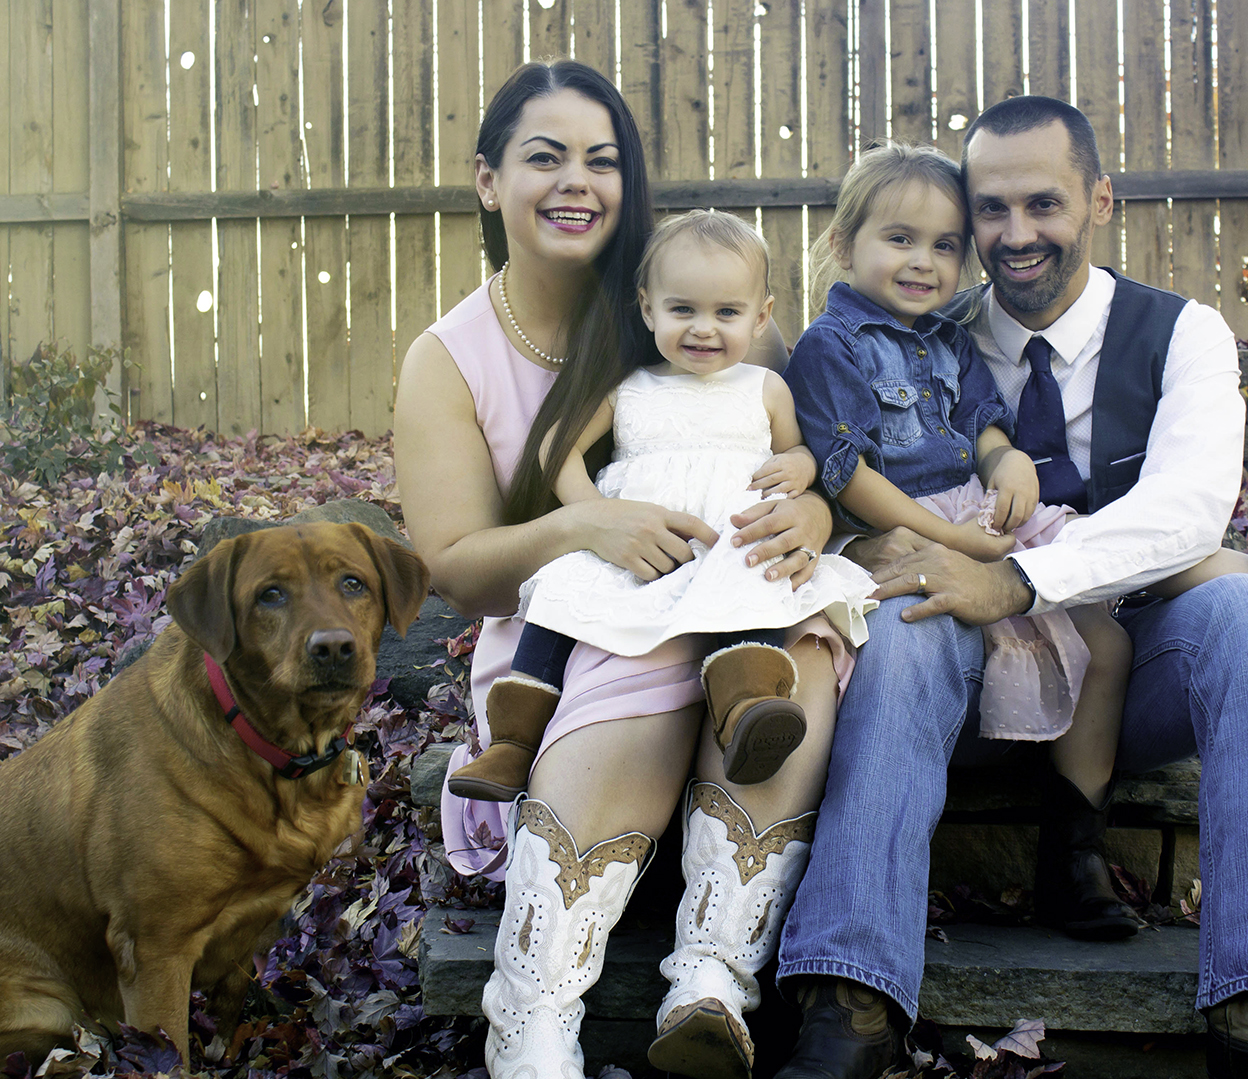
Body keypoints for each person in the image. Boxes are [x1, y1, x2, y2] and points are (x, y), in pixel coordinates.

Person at [771, 97, 1248, 1079]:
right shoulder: (920, 326)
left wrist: (1017, 577)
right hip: (947, 666)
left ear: (1100, 199)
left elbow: (1189, 509)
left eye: (1044, 202)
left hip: (1121, 665)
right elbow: (828, 445)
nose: (1014, 233)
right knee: (909, 617)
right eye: (990, 209)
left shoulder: (1182, 335)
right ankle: (849, 997)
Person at [393, 60, 853, 1079]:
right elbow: (459, 571)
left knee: (802, 650)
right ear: (487, 180)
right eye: (544, 157)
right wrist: (586, 526)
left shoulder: (697, 280)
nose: (577, 182)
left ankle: (713, 979)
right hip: (579, 617)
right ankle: (534, 1018)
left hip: (731, 587)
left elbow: (776, 438)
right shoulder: (451, 356)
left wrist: (813, 505)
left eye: (602, 160)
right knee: (639, 678)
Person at [783, 141, 1140, 941]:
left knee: (1107, 639)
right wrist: (943, 534)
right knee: (941, 639)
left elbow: (980, 420)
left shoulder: (948, 338)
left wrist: (1007, 459)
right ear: (844, 244)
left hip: (976, 517)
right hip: (898, 527)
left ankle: (1074, 850)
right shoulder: (830, 346)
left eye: (946, 245)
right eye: (900, 239)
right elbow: (847, 472)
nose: (925, 263)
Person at [447, 209, 874, 803]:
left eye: (727, 312)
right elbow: (555, 447)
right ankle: (512, 743)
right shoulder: (630, 387)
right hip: (636, 546)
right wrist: (594, 514)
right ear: (648, 309)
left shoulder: (765, 387)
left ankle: (746, 709)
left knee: (749, 581)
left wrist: (800, 468)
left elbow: (798, 450)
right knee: (565, 593)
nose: (704, 328)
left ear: (762, 317)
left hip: (727, 539)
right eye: (683, 310)